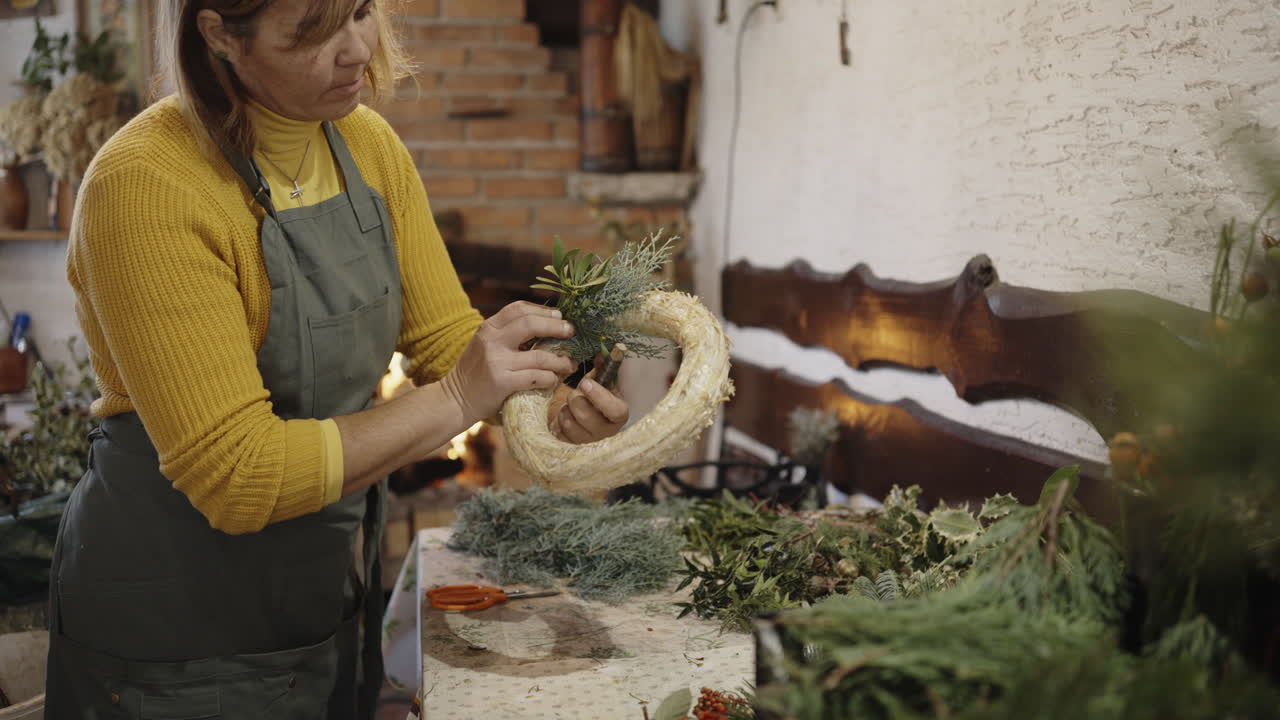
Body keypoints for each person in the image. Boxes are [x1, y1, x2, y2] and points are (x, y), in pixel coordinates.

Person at [44, 0, 630, 717]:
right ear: (220, 33)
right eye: (312, 32)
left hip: (318, 597)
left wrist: (548, 409)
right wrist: (455, 399)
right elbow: (237, 476)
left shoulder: (366, 145)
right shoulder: (143, 186)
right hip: (171, 629)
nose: (357, 50)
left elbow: (444, 338)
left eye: (359, 11)